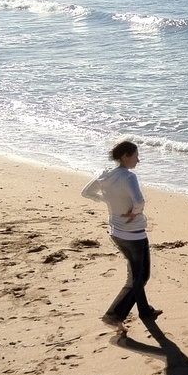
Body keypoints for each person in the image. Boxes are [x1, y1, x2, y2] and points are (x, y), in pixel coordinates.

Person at [81, 140, 162, 331]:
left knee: (135, 274)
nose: (138, 160)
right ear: (125, 156)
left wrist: (106, 200)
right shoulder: (129, 177)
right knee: (140, 277)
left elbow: (86, 192)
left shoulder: (105, 175)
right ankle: (114, 314)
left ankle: (145, 311)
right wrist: (135, 211)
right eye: (135, 156)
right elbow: (140, 201)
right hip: (134, 235)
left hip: (117, 233)